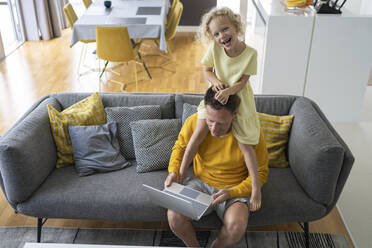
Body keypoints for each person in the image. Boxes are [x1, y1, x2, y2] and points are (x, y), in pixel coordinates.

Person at [178, 7, 263, 213]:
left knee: (246, 145)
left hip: (238, 98)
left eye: (225, 29)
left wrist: (229, 91)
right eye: (216, 33)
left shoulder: (250, 53)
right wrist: (216, 82)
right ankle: (180, 175)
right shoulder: (215, 49)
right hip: (216, 96)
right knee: (196, 136)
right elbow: (207, 70)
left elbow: (243, 82)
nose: (221, 36)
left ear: (236, 27)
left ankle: (256, 188)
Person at [165, 87, 269, 248]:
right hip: (200, 183)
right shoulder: (194, 121)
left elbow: (261, 172)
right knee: (174, 217)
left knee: (236, 228)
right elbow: (180, 148)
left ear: (234, 115)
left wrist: (232, 192)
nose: (213, 129)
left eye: (221, 123)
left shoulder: (250, 133)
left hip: (234, 187)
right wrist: (174, 172)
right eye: (210, 121)